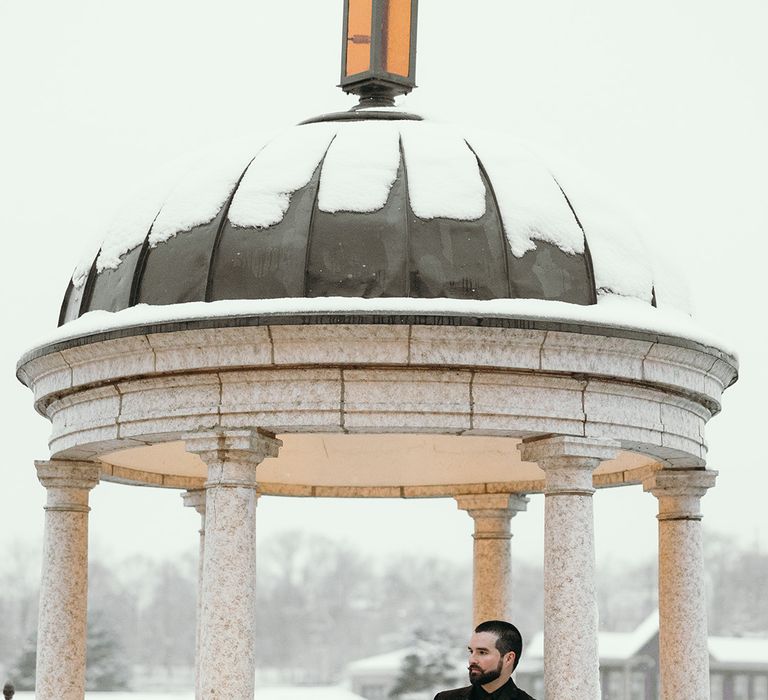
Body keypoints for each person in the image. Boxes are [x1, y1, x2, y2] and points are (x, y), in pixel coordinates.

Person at [434, 620, 536, 700]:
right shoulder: (444, 698)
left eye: (482, 652)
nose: (472, 660)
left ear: (508, 658)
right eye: (471, 651)